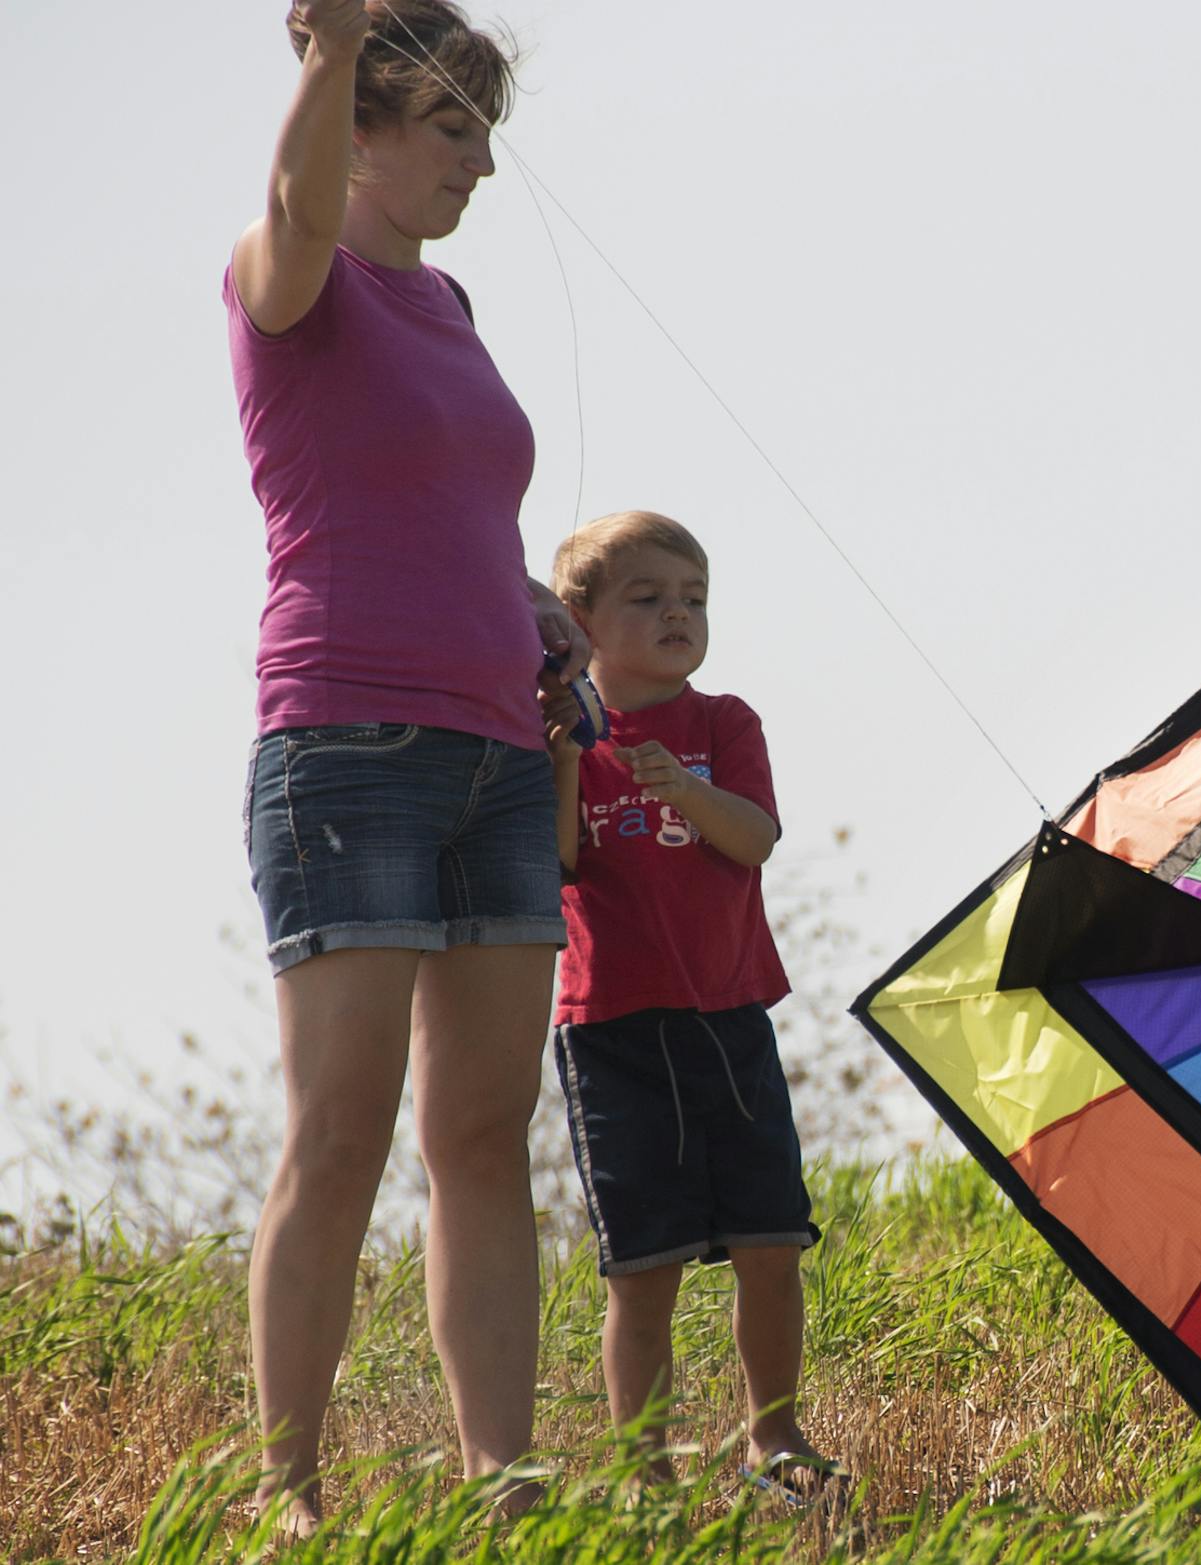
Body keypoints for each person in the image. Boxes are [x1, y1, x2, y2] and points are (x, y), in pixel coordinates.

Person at [225, 0, 586, 1529]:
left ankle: (501, 1478)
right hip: (348, 746)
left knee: (483, 1134)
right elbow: (296, 211)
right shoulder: (284, 278)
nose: (483, 164)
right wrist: (321, 51)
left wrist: (531, 611)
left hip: (502, 751)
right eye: (453, 128)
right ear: (361, 132)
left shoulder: (448, 312)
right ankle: (285, 1490)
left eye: (485, 131)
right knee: (344, 1124)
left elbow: (454, 511)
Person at [542, 511, 837, 1500]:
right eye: (649, 596)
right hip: (613, 1030)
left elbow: (753, 837)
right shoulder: (558, 734)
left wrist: (682, 788)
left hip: (730, 1013)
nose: (679, 613)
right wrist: (567, 762)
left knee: (771, 1241)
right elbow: (557, 866)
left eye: (694, 598)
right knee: (643, 1266)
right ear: (579, 618)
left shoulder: (722, 724)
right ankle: (646, 1467)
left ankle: (776, 1435)